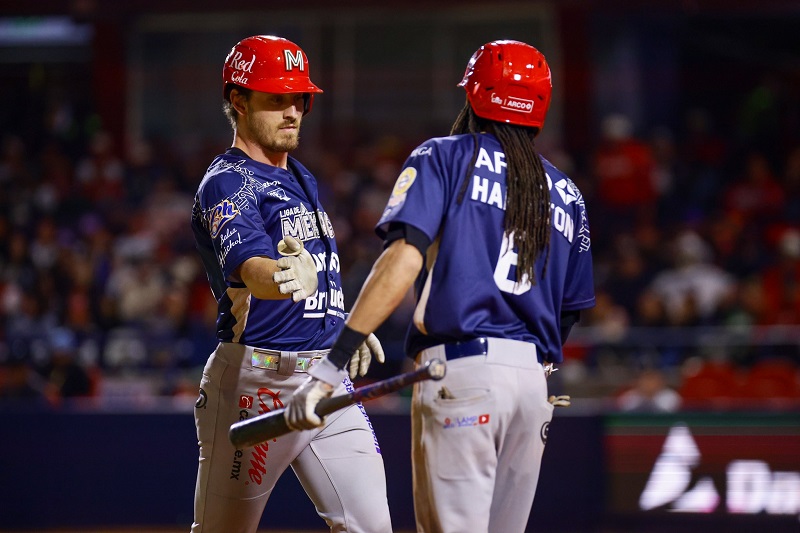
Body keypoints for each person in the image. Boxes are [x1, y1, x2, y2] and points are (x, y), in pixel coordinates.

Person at [285, 40, 596, 532]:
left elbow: (403, 259)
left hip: (462, 372)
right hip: (533, 388)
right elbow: (569, 311)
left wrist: (330, 366)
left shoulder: (446, 156)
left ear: (474, 94)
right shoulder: (568, 192)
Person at [189, 35, 392, 533]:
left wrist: (341, 322)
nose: (293, 111)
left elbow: (309, 272)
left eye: (299, 98)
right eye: (275, 98)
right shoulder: (227, 180)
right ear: (238, 100)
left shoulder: (300, 175)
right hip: (256, 384)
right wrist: (282, 278)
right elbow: (252, 267)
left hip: (325, 378)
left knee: (371, 527)